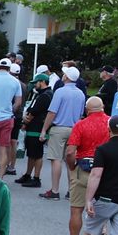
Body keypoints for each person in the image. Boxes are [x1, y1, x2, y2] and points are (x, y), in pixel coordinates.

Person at [60, 97, 112, 235]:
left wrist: (72, 166)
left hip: (84, 168)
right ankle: (103, 234)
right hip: (105, 170)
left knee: (77, 209)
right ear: (103, 107)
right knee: (100, 207)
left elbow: (70, 151)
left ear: (87, 109)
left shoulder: (81, 125)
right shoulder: (111, 123)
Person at [42, 65, 88, 197]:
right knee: (70, 161)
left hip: (59, 128)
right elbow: (81, 114)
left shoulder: (60, 91)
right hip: (74, 129)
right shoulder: (80, 93)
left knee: (56, 159)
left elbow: (52, 112)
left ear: (66, 77)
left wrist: (44, 129)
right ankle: (71, 190)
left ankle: (55, 190)